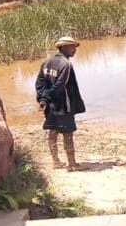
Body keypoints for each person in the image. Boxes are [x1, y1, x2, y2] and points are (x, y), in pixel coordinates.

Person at [35, 36, 87, 172]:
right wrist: (47, 97)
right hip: (64, 106)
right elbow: (59, 86)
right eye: (72, 47)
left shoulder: (47, 62)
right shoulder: (66, 65)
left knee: (53, 132)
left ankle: (56, 162)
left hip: (51, 106)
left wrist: (43, 99)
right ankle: (72, 164)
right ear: (64, 47)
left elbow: (40, 82)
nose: (75, 50)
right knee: (67, 134)